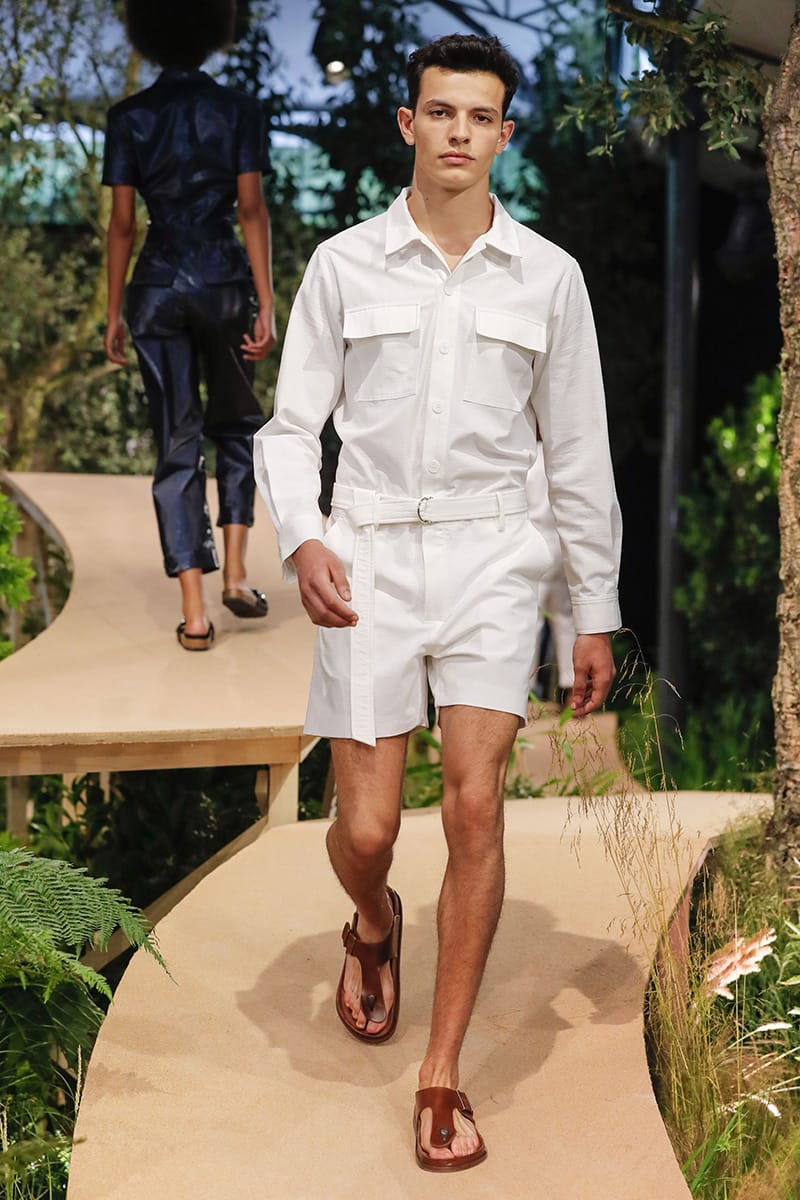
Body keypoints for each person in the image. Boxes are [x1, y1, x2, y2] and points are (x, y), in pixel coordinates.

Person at [254, 33, 621, 1171]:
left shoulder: (549, 278)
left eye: (480, 115)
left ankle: (441, 1072)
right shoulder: (344, 265)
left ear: (504, 134)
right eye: (440, 111)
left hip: (494, 558)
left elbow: (577, 451)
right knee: (364, 829)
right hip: (366, 552)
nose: (459, 131)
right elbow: (288, 428)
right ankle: (374, 921)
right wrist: (304, 538)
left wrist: (593, 607)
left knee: (474, 809)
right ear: (409, 125)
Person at [103, 0, 276, 651]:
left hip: (156, 287)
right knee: (236, 426)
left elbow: (124, 223)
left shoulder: (129, 117)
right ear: (213, 29)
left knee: (175, 441)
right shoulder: (239, 110)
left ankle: (195, 615)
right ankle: (235, 574)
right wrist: (266, 299)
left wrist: (115, 310)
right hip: (224, 281)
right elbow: (251, 209)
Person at [526, 451, 577, 702]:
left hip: (535, 543)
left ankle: (528, 685)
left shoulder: (527, 460)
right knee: (564, 617)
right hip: (558, 545)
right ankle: (571, 684)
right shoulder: (559, 459)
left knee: (533, 620)